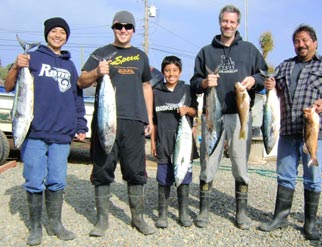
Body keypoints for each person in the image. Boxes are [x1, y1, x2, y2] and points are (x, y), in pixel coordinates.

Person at [258, 24, 322, 240]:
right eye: (297, 41)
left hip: (315, 131)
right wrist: (270, 84)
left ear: (315, 42)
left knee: (313, 178)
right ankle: (280, 218)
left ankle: (310, 224)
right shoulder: (286, 66)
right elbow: (274, 88)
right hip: (288, 130)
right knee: (285, 176)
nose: (301, 45)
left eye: (305, 40)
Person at [4, 17, 87, 246]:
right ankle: (35, 228)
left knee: (57, 181)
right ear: (47, 34)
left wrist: (80, 125)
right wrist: (16, 66)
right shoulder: (33, 58)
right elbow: (10, 86)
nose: (58, 35)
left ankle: (55, 224)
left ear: (66, 36)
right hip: (35, 132)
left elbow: (76, 98)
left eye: (62, 32)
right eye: (54, 31)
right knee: (33, 180)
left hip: (61, 134)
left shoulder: (70, 65)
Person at [77, 10, 155, 236]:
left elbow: (147, 87)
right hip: (105, 118)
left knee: (136, 170)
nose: (123, 30)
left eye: (128, 26)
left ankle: (137, 218)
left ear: (133, 30)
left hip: (133, 121)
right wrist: (96, 71)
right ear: (113, 28)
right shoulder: (100, 53)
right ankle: (102, 220)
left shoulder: (141, 56)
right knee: (102, 168)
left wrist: (148, 117)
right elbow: (81, 81)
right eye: (119, 26)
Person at [190, 5, 267, 229]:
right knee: (208, 163)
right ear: (219, 22)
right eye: (225, 21)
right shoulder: (206, 52)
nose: (228, 25)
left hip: (239, 116)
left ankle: (241, 213)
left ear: (238, 24)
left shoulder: (250, 50)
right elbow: (194, 82)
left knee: (240, 165)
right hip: (212, 115)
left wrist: (254, 80)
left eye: (232, 22)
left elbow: (263, 75)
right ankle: (204, 211)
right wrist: (204, 83)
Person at [150, 56, 198, 228]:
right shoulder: (156, 91)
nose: (171, 74)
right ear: (163, 72)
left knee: (183, 177)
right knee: (163, 179)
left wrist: (187, 110)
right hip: (164, 141)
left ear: (180, 72)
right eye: (168, 70)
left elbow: (195, 112)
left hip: (184, 142)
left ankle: (183, 212)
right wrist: (153, 143)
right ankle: (162, 214)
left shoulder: (187, 89)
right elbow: (154, 121)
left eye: (175, 70)